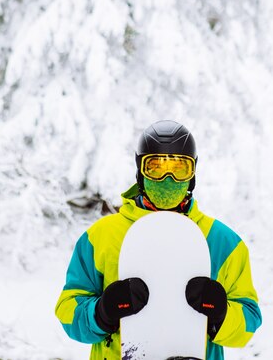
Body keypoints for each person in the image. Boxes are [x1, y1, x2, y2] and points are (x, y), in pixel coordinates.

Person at [55, 120, 262, 360]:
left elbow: (249, 322)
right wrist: (101, 313)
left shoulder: (223, 242)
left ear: (193, 173)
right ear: (139, 171)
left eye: (180, 168)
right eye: (155, 167)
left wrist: (222, 315)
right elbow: (66, 311)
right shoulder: (100, 237)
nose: (168, 177)